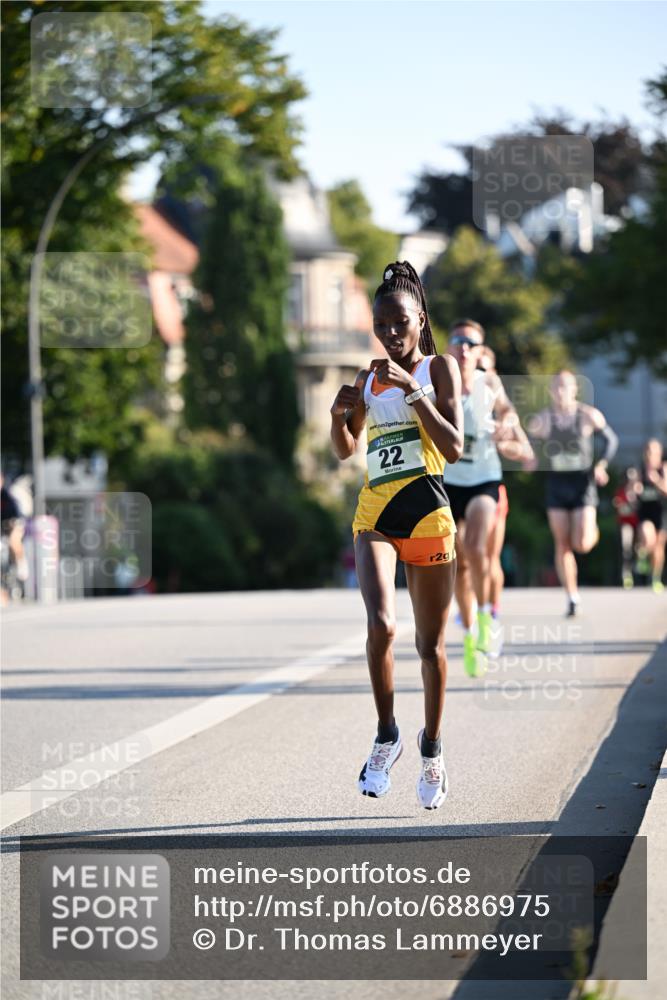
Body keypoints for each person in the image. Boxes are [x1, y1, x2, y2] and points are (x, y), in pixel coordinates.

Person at [330, 260, 463, 810]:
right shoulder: (366, 378)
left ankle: (431, 746)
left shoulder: (440, 370)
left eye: (399, 323)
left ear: (420, 319)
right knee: (382, 623)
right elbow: (345, 451)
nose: (389, 333)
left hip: (429, 515)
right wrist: (339, 416)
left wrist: (412, 391)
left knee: (429, 646)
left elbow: (454, 448)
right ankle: (387, 734)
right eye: (381, 325)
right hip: (376, 516)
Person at [443, 321, 531, 676]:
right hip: (449, 481)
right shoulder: (437, 381)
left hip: (484, 479)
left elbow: (508, 410)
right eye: (457, 341)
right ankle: (468, 632)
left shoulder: (489, 383)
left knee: (476, 546)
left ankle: (484, 616)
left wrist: (507, 423)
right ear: (449, 347)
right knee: (458, 564)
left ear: (480, 351)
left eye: (471, 342)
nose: (463, 347)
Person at [528, 370, 618, 617]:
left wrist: (601, 465)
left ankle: (592, 532)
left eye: (565, 386)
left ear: (574, 389)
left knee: (582, 543)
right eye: (556, 387)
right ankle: (572, 596)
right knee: (563, 543)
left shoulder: (588, 416)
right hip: (557, 484)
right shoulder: (544, 419)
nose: (560, 391)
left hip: (583, 484)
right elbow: (530, 442)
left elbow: (611, 440)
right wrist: (531, 457)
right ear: (551, 390)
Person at [635, 439, 667, 593]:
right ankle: (642, 554)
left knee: (658, 547)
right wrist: (635, 489)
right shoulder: (640, 471)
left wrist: (657, 481)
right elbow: (631, 492)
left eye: (653, 451)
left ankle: (655, 578)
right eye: (647, 451)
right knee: (648, 538)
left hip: (660, 512)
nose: (650, 455)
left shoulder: (663, 469)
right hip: (645, 512)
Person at [612, 467, 641, 589]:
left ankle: (641, 573)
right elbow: (620, 509)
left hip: (638, 524)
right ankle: (626, 574)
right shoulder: (620, 492)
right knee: (626, 547)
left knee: (639, 549)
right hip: (626, 523)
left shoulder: (639, 491)